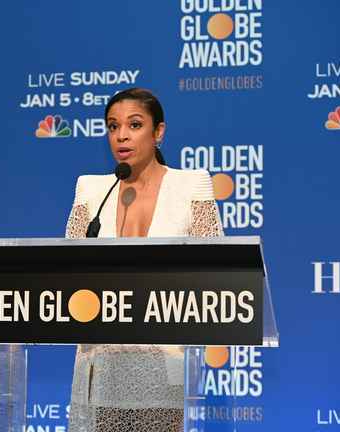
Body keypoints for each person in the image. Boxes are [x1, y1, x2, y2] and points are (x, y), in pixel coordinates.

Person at [65, 88, 224, 432]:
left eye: (134, 124)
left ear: (159, 131)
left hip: (164, 358)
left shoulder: (191, 185)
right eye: (112, 126)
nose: (121, 135)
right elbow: (68, 271)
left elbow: (213, 271)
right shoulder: (92, 190)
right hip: (102, 359)